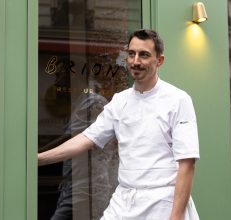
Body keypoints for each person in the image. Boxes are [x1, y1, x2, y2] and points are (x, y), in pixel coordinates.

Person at [38, 29, 200, 220]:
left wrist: (177, 216)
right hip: (123, 202)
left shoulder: (178, 100)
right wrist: (39, 159)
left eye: (144, 55)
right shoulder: (119, 101)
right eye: (131, 54)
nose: (136, 61)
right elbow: (86, 139)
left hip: (161, 202)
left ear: (159, 61)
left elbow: (187, 164)